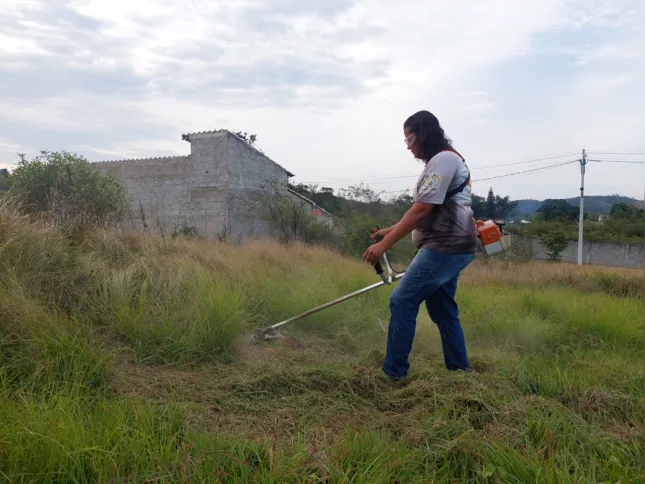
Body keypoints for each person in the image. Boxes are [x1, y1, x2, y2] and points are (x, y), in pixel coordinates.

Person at [363, 110, 478, 380]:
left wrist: (383, 246)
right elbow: (426, 210)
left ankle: (394, 373)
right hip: (449, 244)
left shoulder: (444, 159)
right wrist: (390, 230)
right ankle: (460, 370)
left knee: (402, 300)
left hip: (445, 245)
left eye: (411, 139)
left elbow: (422, 209)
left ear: (425, 134)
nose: (409, 147)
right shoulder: (439, 162)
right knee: (443, 310)